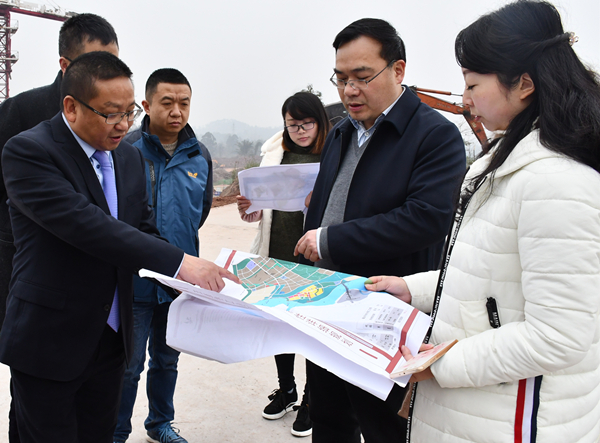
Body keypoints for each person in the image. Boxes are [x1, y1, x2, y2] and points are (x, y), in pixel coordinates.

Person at [366, 2, 600, 442]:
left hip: (515, 420)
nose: (465, 100)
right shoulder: (507, 160)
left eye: (473, 84)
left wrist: (441, 364)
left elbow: (558, 336)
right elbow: (492, 279)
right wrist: (412, 288)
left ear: (524, 84)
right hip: (480, 412)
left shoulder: (557, 182)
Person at [0, 52, 236, 443]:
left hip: (110, 340)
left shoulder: (126, 156)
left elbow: (142, 228)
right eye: (111, 114)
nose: (124, 124)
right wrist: (180, 262)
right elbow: (87, 226)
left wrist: (191, 284)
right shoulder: (30, 151)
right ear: (71, 107)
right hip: (50, 341)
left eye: (129, 113)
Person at [294, 18, 466, 443]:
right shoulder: (340, 132)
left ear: (398, 70)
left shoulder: (434, 135)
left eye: (362, 77)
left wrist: (330, 239)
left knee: (385, 426)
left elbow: (427, 217)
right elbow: (326, 206)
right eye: (341, 78)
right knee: (329, 420)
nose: (349, 90)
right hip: (327, 302)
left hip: (385, 312)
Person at [0, 14, 120, 442]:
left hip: (101, 302)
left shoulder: (115, 129)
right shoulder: (20, 116)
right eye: (96, 64)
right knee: (34, 406)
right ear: (66, 66)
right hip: (32, 279)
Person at [113, 68, 212, 443]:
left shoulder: (198, 155)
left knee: (168, 359)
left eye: (184, 103)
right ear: (146, 104)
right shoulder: (126, 151)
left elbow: (200, 213)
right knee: (128, 365)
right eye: (167, 102)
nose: (176, 111)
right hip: (135, 279)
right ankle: (116, 432)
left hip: (179, 281)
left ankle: (159, 423)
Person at [236, 91, 330, 438]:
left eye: (307, 123)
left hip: (315, 257)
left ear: (319, 122)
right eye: (293, 124)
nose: (300, 131)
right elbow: (258, 214)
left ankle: (310, 399)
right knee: (281, 328)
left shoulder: (331, 155)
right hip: (277, 253)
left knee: (312, 331)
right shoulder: (275, 156)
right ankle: (287, 389)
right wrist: (249, 209)